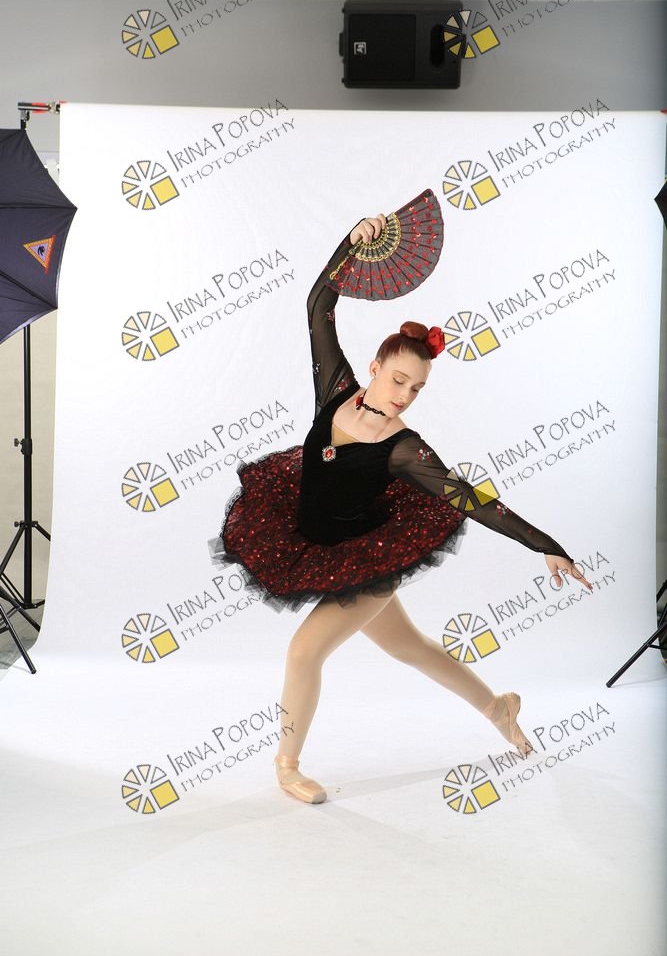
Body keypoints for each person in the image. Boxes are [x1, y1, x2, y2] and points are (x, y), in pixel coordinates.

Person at [216, 210, 593, 805]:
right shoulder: (334, 389)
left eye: (416, 388)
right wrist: (350, 243)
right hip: (313, 543)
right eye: (397, 380)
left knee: (303, 651)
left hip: (363, 562)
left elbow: (469, 499)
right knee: (408, 647)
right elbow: (318, 304)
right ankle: (498, 708)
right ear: (374, 368)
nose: (404, 395)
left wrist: (545, 545)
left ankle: (287, 765)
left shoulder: (404, 448)